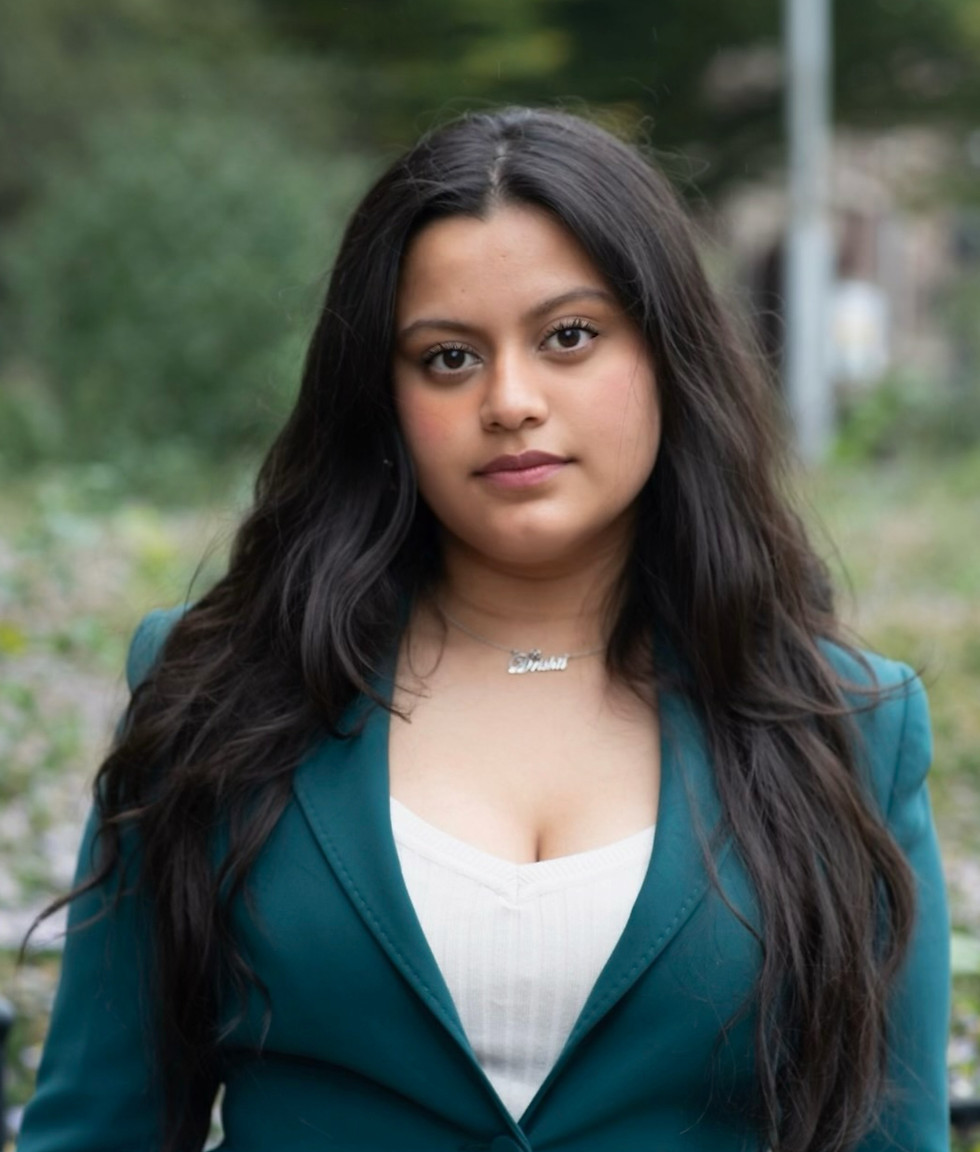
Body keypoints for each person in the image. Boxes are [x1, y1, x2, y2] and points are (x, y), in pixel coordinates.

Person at [17, 107, 949, 1152]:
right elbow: (101, 1126)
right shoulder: (220, 689)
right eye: (448, 357)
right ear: (383, 396)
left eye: (567, 337)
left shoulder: (845, 723)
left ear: (665, 356)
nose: (509, 400)